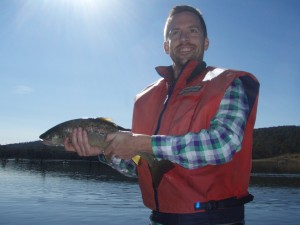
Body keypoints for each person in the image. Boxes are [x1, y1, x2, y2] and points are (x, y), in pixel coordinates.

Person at [64, 5, 259, 225]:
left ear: (206, 42)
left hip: (216, 218)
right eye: (175, 32)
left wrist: (146, 144)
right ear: (166, 46)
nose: (184, 38)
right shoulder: (145, 97)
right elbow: (139, 167)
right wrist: (104, 150)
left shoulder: (228, 83)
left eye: (193, 30)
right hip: (159, 219)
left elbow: (223, 144)